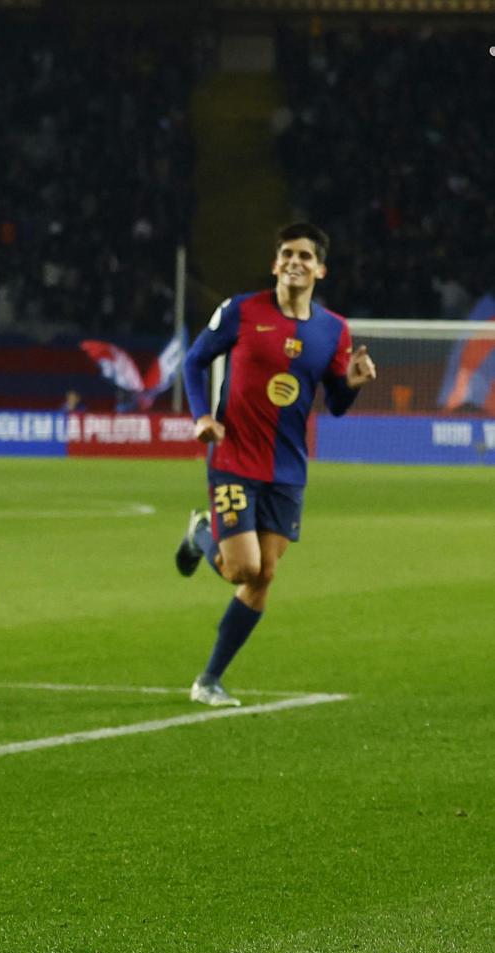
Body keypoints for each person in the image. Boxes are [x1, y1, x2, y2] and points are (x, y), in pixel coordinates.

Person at [173, 222, 377, 706]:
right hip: (235, 456)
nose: (295, 262)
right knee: (243, 569)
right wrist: (202, 415)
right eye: (287, 253)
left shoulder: (334, 330)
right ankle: (203, 535)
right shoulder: (242, 310)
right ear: (275, 264)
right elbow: (195, 361)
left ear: (320, 269)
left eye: (306, 256)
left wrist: (352, 381)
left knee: (265, 576)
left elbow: (338, 403)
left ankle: (209, 680)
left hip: (288, 469)